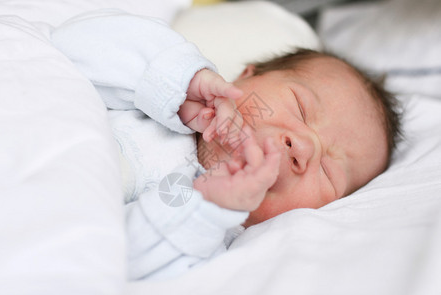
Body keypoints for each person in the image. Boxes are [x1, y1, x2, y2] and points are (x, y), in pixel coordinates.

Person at [50, 10, 402, 280]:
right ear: (246, 76)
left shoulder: (209, 237)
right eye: (300, 106)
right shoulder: (156, 101)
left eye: (328, 172)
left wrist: (205, 208)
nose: (305, 148)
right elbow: (66, 48)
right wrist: (178, 81)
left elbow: (111, 263)